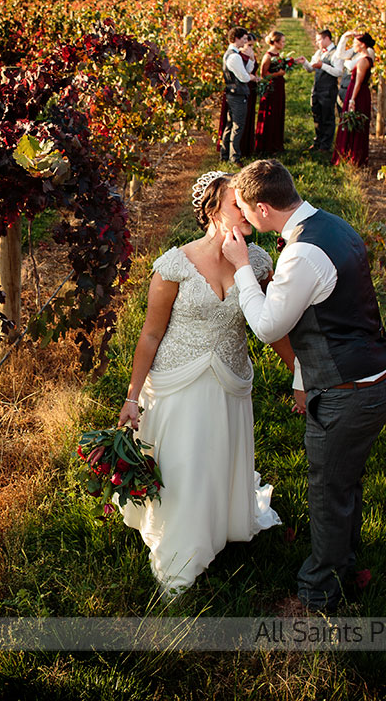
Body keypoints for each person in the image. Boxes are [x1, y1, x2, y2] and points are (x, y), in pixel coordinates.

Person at [221, 159, 386, 613]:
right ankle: (347, 563)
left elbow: (267, 325)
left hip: (348, 393)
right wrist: (303, 379)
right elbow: (326, 319)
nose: (242, 216)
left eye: (244, 208)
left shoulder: (301, 254)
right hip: (374, 376)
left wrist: (243, 266)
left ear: (262, 208)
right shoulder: (333, 225)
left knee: (326, 492)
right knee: (346, 483)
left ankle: (317, 594)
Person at [117, 171, 288, 596]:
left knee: (218, 456)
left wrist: (300, 374)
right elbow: (150, 335)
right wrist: (132, 397)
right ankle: (183, 550)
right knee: (187, 464)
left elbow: (274, 325)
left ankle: (222, 519)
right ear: (213, 209)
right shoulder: (175, 265)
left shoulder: (258, 262)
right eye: (237, 203)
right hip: (178, 382)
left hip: (230, 378)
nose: (247, 208)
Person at [254, 31, 304, 154]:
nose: (284, 44)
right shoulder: (268, 56)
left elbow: (285, 64)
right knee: (270, 113)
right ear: (275, 42)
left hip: (279, 87)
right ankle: (267, 145)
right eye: (282, 41)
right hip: (271, 88)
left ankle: (276, 143)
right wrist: (278, 74)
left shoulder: (278, 55)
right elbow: (263, 75)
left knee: (278, 113)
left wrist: (296, 61)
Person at [332, 32, 376, 168]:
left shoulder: (363, 60)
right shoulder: (362, 58)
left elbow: (358, 82)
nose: (353, 46)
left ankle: (353, 157)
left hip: (357, 93)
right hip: (356, 91)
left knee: (354, 123)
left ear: (362, 45)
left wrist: (352, 100)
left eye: (355, 43)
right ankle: (349, 155)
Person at [302, 29, 346, 153]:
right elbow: (311, 68)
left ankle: (325, 146)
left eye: (319, 40)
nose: (317, 43)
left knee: (327, 117)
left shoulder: (336, 53)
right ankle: (318, 141)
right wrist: (304, 62)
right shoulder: (319, 52)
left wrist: (323, 66)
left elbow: (338, 72)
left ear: (327, 38)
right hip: (317, 88)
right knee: (317, 115)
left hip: (328, 89)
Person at [221, 28, 258, 163]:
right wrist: (252, 78)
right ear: (236, 38)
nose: (245, 41)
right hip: (237, 94)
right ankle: (234, 157)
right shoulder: (234, 56)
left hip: (234, 93)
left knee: (231, 125)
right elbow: (243, 77)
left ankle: (225, 155)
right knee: (238, 126)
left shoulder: (234, 54)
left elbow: (246, 70)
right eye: (243, 38)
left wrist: (252, 59)